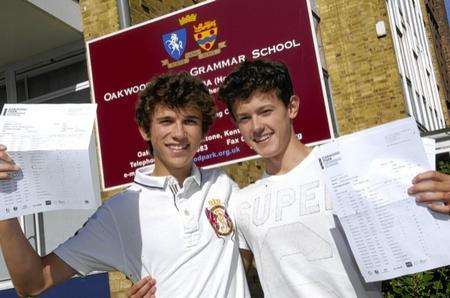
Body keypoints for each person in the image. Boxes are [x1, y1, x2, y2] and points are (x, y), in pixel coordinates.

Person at [128, 60, 450, 297]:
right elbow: (218, 277)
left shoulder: (346, 169)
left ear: (291, 107)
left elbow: (419, 227)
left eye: (266, 111)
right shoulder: (240, 201)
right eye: (244, 118)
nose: (256, 127)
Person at [0, 72, 249, 297]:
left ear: (204, 131)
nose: (179, 133)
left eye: (190, 121)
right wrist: (3, 203)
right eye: (166, 121)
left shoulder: (223, 185)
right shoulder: (121, 210)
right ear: (144, 130)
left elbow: (244, 256)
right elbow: (33, 282)